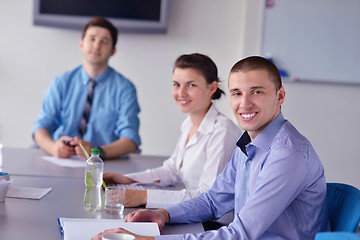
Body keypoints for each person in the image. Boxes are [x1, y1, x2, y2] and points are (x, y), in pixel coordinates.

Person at [92, 56, 329, 240]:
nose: (244, 103)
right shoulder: (250, 142)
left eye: (257, 92)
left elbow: (240, 234)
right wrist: (164, 214)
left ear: (280, 96)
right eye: (237, 93)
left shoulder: (286, 155)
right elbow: (214, 201)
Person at [103, 53, 241, 210]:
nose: (181, 93)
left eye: (191, 85)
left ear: (212, 88)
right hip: (191, 211)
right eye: (176, 84)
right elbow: (172, 170)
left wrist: (143, 196)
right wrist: (126, 180)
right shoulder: (189, 123)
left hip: (212, 222)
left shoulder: (222, 131)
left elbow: (207, 197)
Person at [32, 16, 141, 160]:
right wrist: (53, 148)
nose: (96, 46)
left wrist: (97, 152)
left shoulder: (125, 88)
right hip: (61, 160)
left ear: (113, 51)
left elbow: (131, 140)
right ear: (81, 44)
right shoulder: (61, 82)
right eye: (92, 39)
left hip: (104, 165)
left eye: (104, 41)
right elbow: (40, 127)